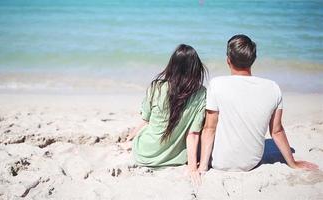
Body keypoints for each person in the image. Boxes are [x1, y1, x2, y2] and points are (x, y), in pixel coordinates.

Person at [198, 34, 318, 176]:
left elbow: (209, 128)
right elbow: (276, 131)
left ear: (228, 60)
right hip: (252, 163)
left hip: (219, 162)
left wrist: (203, 167)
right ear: (253, 60)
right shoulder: (273, 87)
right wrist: (292, 163)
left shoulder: (216, 84)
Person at [123, 44, 208, 177]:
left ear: (172, 65)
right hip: (174, 158)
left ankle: (130, 144)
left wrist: (131, 137)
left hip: (145, 153)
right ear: (196, 68)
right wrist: (192, 168)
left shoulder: (156, 87)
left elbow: (146, 120)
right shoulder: (201, 94)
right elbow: (193, 134)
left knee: (144, 133)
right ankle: (131, 142)